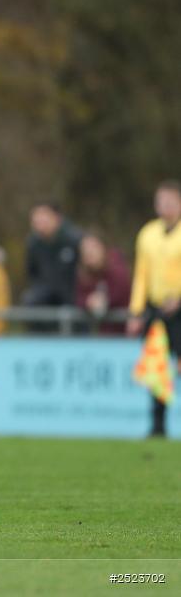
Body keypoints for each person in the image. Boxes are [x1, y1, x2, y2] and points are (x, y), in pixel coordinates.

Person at [127, 180, 181, 437]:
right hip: (156, 310)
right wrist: (136, 310)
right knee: (156, 367)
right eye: (162, 201)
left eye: (171, 201)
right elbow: (141, 274)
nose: (166, 206)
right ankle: (158, 426)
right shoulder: (147, 234)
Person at [21, 203, 82, 310]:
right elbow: (32, 273)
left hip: (72, 297)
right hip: (45, 298)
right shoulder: (33, 244)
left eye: (43, 220)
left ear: (56, 218)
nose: (40, 225)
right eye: (36, 222)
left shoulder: (74, 240)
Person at [74, 231, 131, 335]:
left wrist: (105, 301)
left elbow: (122, 294)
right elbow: (78, 298)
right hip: (100, 335)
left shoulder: (117, 269)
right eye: (85, 249)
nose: (89, 252)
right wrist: (88, 301)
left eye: (93, 247)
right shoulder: (83, 274)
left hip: (124, 333)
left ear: (103, 248)